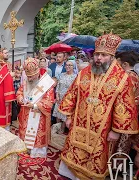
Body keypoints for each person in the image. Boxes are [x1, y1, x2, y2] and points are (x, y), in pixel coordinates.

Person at [58, 33, 139, 180]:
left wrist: (116, 131)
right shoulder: (84, 73)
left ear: (112, 57)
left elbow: (125, 107)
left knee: (96, 159)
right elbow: (72, 94)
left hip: (103, 130)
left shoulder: (122, 78)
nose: (99, 58)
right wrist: (68, 116)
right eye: (97, 54)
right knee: (72, 155)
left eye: (103, 55)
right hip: (78, 125)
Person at [17, 57, 55, 158]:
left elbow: (49, 102)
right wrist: (20, 98)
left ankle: (37, 151)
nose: (29, 79)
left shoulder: (46, 83)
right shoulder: (26, 81)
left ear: (37, 73)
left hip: (39, 115)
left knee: (36, 133)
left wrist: (34, 105)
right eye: (28, 76)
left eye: (31, 77)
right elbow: (20, 91)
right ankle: (26, 148)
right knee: (25, 131)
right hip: (26, 113)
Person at [52, 60, 78, 134]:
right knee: (57, 113)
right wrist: (57, 95)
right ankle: (57, 127)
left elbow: (74, 89)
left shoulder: (75, 76)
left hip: (68, 99)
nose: (68, 66)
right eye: (66, 65)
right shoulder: (62, 75)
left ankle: (62, 129)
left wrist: (69, 99)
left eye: (70, 65)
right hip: (59, 97)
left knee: (64, 114)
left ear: (73, 67)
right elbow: (58, 86)